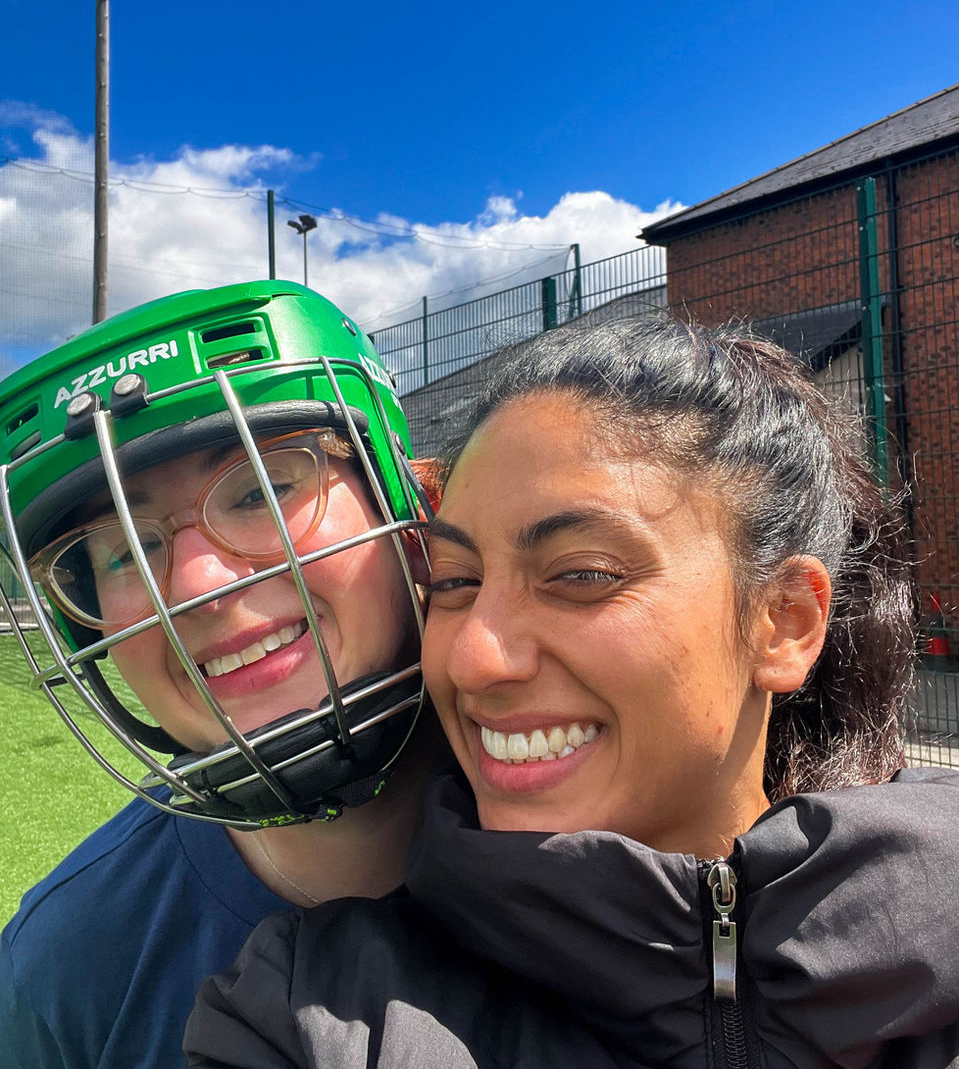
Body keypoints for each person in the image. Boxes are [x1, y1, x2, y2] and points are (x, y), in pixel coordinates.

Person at [185, 314, 959, 1069]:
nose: (476, 659)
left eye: (581, 575)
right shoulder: (321, 1016)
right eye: (454, 582)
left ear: (783, 622)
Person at [0, 279, 439, 1069]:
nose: (200, 587)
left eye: (264, 489)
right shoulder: (65, 972)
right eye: (123, 552)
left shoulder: (621, 826)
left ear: (400, 508)